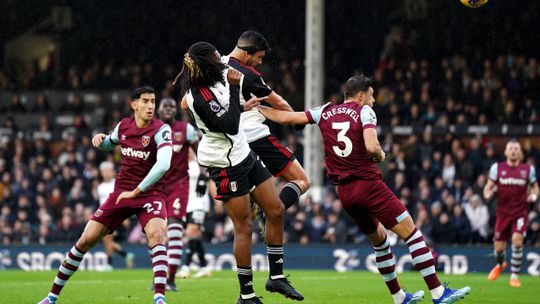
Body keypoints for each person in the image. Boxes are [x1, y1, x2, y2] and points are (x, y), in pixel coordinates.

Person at [257, 75, 471, 304]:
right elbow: (371, 146)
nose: (374, 100)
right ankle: (439, 293)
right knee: (412, 234)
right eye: (371, 95)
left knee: (380, 241)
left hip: (346, 194)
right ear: (360, 96)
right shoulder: (364, 112)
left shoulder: (326, 111)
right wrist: (380, 154)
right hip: (368, 185)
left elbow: (289, 117)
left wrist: (257, 109)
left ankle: (399, 297)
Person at [175, 41, 303, 304]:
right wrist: (235, 91)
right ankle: (246, 294)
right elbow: (230, 125)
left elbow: (230, 113)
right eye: (215, 57)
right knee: (243, 227)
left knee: (276, 209)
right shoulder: (198, 96)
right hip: (224, 164)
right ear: (206, 64)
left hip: (244, 153)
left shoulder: (216, 79)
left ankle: (276, 277)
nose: (221, 60)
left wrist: (243, 105)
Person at [37, 86, 173, 304]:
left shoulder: (161, 129)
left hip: (150, 193)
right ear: (134, 104)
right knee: (85, 240)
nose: (150, 106)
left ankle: (159, 298)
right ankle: (51, 297)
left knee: (157, 234)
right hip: (121, 193)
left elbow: (164, 164)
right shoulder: (124, 126)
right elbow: (109, 144)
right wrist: (100, 139)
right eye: (145, 101)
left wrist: (137, 191)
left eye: (153, 101)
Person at [224, 31, 311, 221]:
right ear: (247, 53)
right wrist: (298, 124)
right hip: (255, 137)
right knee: (302, 180)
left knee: (242, 224)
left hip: (227, 144)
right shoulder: (248, 75)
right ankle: (268, 213)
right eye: (259, 57)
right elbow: (280, 104)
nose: (260, 62)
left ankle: (255, 200)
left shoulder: (213, 67)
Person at [156, 97, 201, 291]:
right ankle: (158, 278)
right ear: (158, 110)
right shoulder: (150, 129)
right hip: (155, 186)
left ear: (176, 111)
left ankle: (171, 278)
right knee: (156, 233)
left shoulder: (186, 130)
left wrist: (204, 177)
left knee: (174, 227)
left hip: (178, 185)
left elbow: (202, 153)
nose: (168, 109)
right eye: (165, 106)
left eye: (172, 107)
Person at [483, 139, 538, 287]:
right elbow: (488, 187)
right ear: (506, 152)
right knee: (499, 248)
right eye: (511, 148)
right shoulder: (497, 168)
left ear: (520, 153)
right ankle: (500, 264)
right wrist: (487, 193)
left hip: (520, 212)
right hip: (502, 214)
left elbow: (535, 187)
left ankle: (514, 276)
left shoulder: (528, 170)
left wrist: (534, 195)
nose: (513, 151)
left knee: (517, 240)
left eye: (516, 148)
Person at [178, 150, 213, 279]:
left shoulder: (200, 164)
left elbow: (209, 181)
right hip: (187, 204)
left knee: (191, 232)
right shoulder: (179, 164)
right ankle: (204, 267)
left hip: (199, 202)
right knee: (196, 237)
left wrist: (218, 201)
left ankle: (185, 267)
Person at [96, 161, 135, 271]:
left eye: (107, 170)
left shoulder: (116, 184)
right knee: (107, 241)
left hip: (114, 215)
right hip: (103, 216)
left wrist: (123, 217)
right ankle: (126, 255)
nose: (105, 173)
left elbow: (122, 200)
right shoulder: (100, 187)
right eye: (103, 171)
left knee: (107, 240)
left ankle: (109, 264)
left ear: (112, 171)